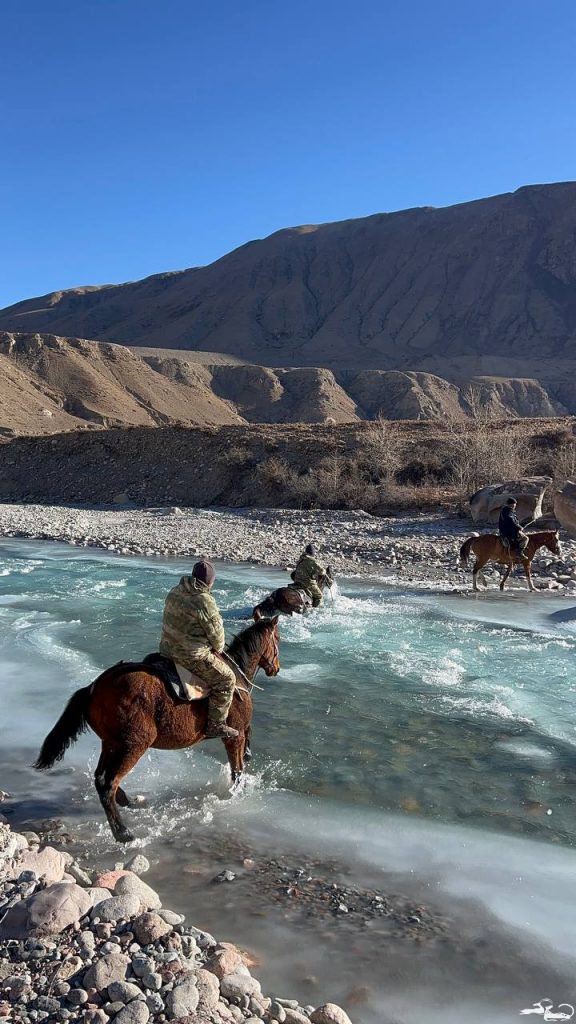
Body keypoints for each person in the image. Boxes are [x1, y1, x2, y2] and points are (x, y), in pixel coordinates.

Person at [159, 560, 238, 739]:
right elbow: (218, 640)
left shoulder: (175, 591)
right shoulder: (204, 600)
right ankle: (216, 725)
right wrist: (216, 648)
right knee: (227, 679)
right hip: (191, 656)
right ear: (210, 582)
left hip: (167, 650)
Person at [292, 543, 327, 608]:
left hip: (297, 581)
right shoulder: (311, 560)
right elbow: (322, 572)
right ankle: (314, 609)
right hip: (307, 583)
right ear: (313, 553)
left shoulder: (301, 559)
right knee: (319, 596)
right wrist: (324, 571)